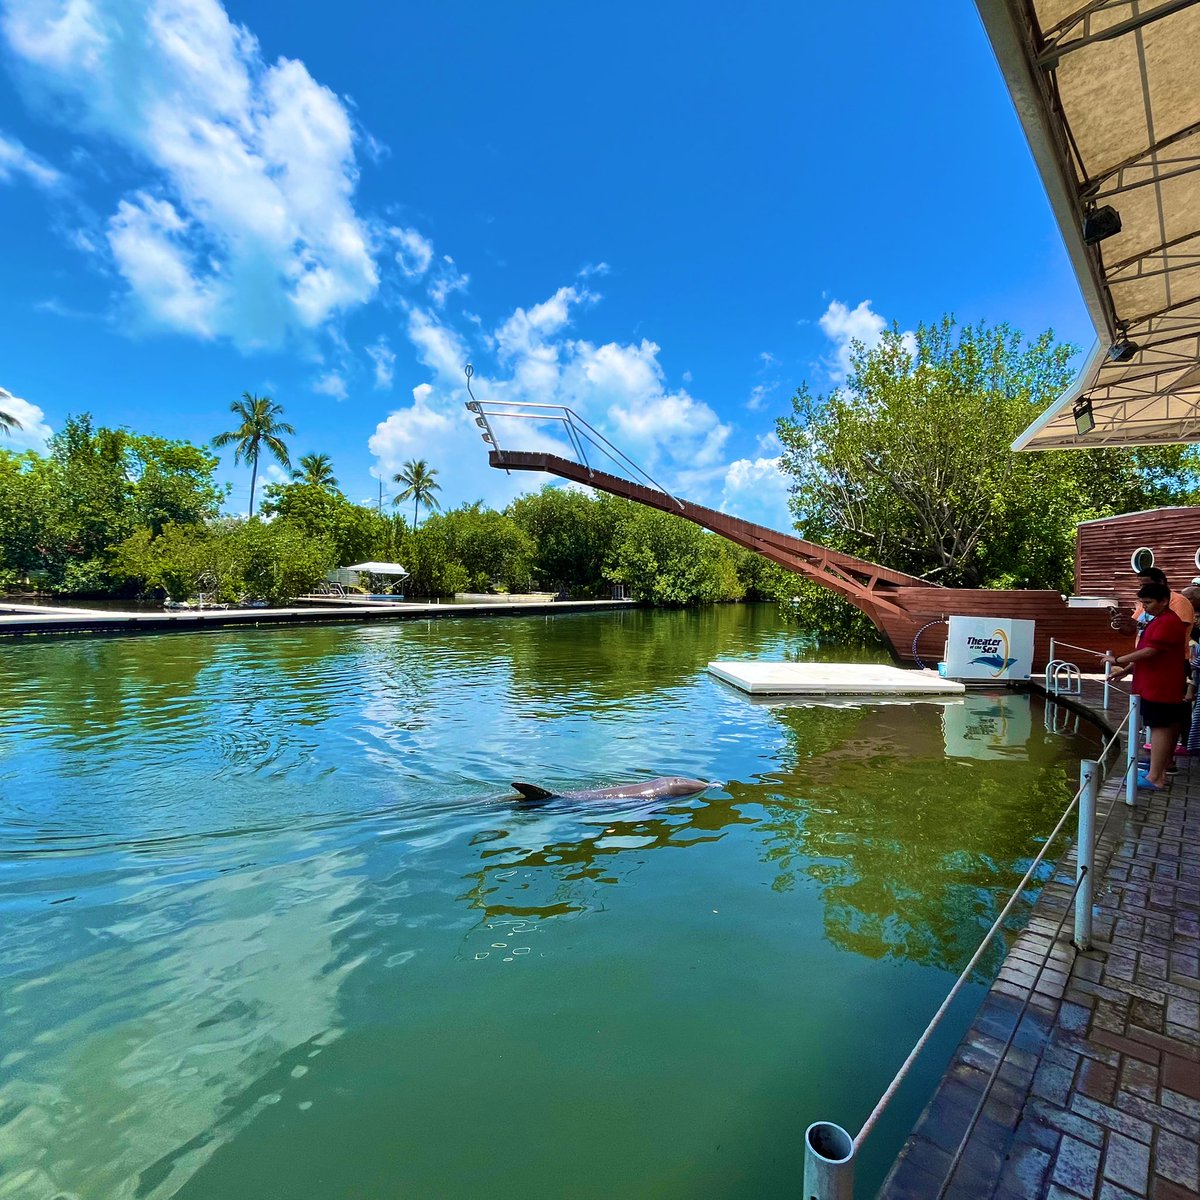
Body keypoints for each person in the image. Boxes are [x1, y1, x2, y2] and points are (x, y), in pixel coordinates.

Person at [1106, 581, 1189, 790]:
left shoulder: (1168, 622)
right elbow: (1148, 651)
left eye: (1149, 602)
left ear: (1164, 601)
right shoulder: (1158, 620)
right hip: (1154, 683)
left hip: (1161, 685)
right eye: (1142, 603)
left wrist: (1118, 660)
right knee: (1161, 726)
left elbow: (1151, 651)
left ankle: (1155, 777)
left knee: (1160, 727)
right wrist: (1127, 670)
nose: (1145, 607)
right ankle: (1158, 771)